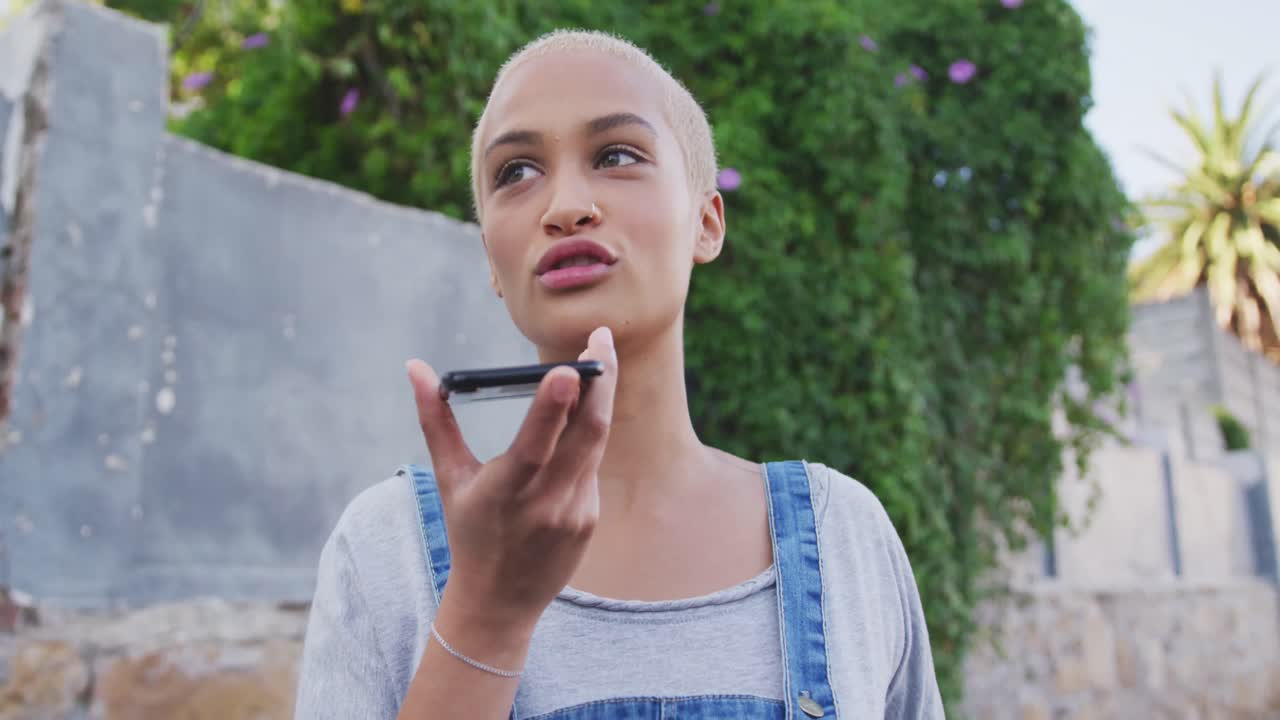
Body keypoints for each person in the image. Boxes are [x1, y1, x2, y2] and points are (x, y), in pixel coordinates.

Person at [294, 28, 944, 720]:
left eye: (616, 155)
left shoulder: (845, 536)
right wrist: (485, 615)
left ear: (706, 222)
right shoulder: (384, 551)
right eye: (515, 172)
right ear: (490, 258)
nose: (565, 205)